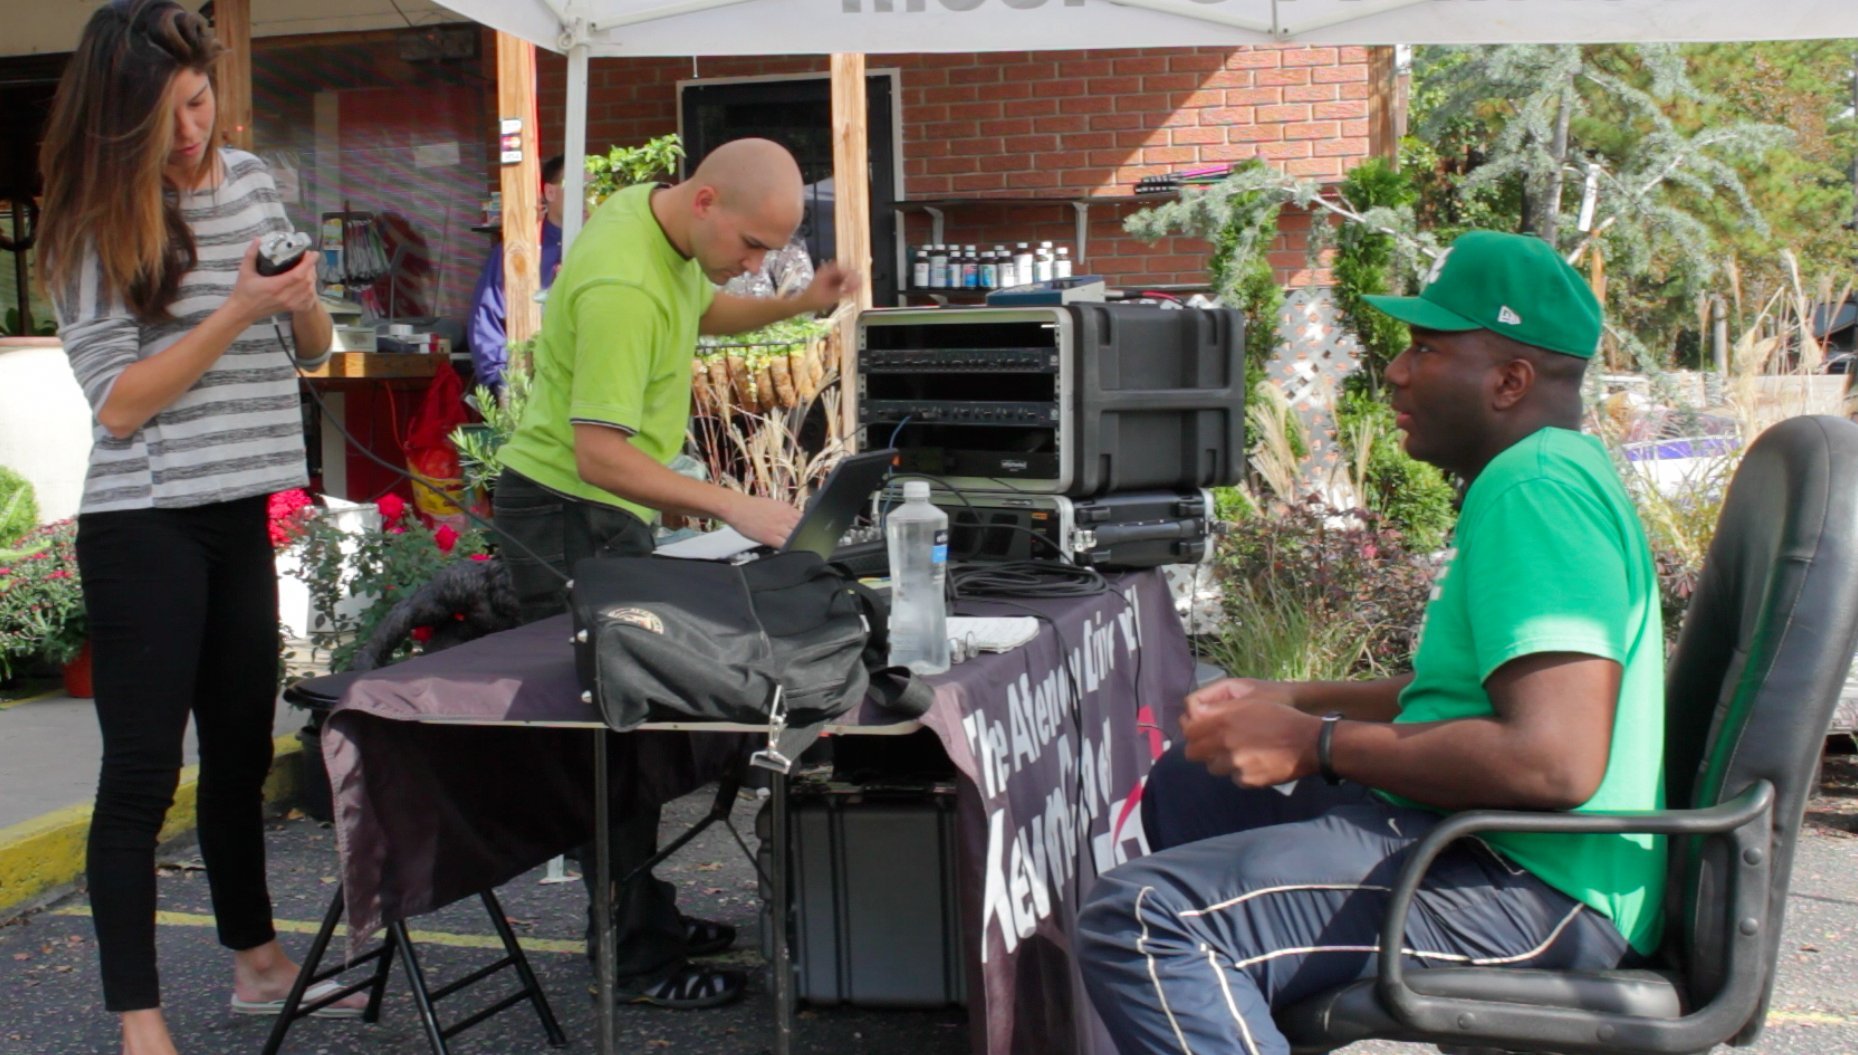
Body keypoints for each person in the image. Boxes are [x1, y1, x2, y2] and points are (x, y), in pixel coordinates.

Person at [1078, 231, 1666, 1055]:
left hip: (1537, 885)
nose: (1395, 368)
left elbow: (1553, 759)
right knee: (1195, 784)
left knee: (1143, 918)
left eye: (1426, 348)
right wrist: (1300, 698)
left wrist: (1318, 743)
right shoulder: (1540, 473)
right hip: (1490, 842)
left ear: (1509, 380)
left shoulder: (1538, 491)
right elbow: (1471, 693)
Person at [36, 3, 357, 1053]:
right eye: (165, 115)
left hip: (236, 507)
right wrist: (231, 308)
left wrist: (299, 298)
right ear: (119, 119)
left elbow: (308, 348)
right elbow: (120, 403)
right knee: (140, 772)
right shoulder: (96, 222)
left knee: (236, 752)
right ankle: (139, 1016)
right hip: (145, 524)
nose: (189, 131)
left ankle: (259, 961)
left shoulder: (256, 178)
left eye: (198, 101)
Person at [493, 137, 860, 1008]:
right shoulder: (622, 281)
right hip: (567, 508)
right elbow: (599, 456)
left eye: (770, 253)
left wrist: (792, 303)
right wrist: (731, 503)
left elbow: (697, 310)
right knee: (612, 736)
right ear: (704, 200)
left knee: (633, 727)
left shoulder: (658, 226)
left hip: (600, 506)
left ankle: (639, 912)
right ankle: (636, 954)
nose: (755, 264)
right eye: (752, 247)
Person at [467, 154, 567, 393]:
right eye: (580, 187)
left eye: (595, 188)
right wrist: (504, 382)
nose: (590, 197)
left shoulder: (604, 248)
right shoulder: (518, 250)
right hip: (529, 389)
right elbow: (487, 317)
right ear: (550, 192)